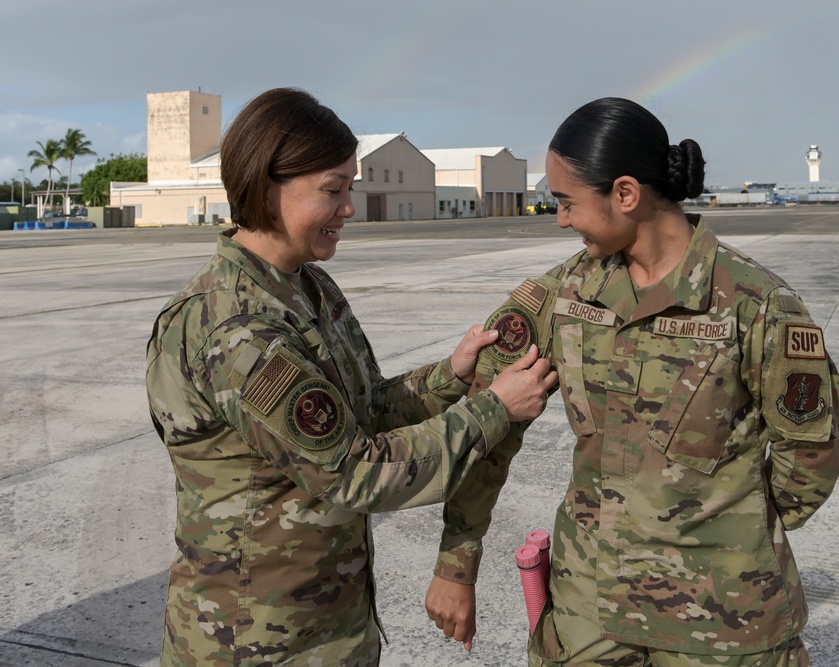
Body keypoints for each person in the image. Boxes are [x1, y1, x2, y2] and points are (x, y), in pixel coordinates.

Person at [425, 97, 839, 666]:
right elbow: (493, 426)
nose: (561, 219)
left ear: (625, 194)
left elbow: (813, 448)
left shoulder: (758, 305)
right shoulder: (563, 296)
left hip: (721, 621)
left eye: (568, 202)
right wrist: (458, 564)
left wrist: (732, 525)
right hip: (588, 614)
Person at [145, 87, 557, 666]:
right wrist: (493, 410)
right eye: (333, 191)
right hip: (254, 641)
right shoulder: (238, 331)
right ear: (267, 188)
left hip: (327, 624)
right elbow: (355, 470)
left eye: (351, 188)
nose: (349, 208)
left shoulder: (305, 287)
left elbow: (357, 413)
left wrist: (448, 376)